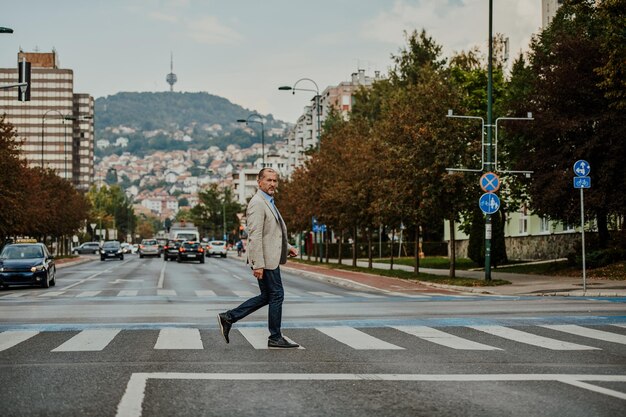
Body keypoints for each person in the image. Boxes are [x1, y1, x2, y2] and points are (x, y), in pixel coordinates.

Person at [217, 168, 299, 349]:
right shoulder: (258, 203)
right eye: (268, 180)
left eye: (275, 181)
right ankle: (275, 337)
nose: (272, 184)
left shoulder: (268, 202)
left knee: (267, 296)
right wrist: (258, 264)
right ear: (259, 182)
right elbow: (255, 236)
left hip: (270, 257)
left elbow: (272, 234)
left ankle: (228, 317)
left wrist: (289, 247)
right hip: (266, 260)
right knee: (277, 295)